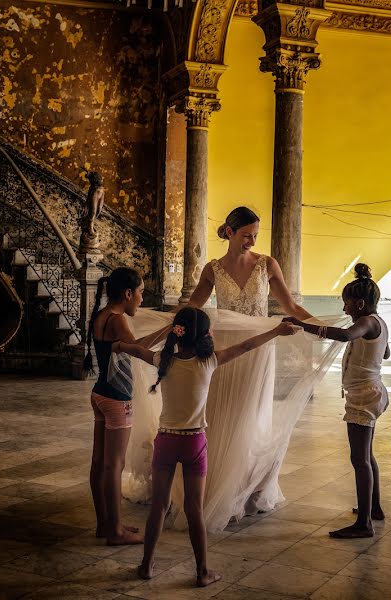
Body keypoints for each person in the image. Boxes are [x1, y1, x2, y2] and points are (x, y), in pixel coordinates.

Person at [115, 307, 299, 586]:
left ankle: (146, 565)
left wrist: (116, 345)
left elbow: (133, 349)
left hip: (166, 440)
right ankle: (202, 572)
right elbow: (247, 345)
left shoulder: (163, 362)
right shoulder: (209, 362)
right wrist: (276, 330)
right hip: (194, 443)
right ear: (205, 335)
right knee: (194, 510)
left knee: (159, 507)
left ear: (177, 332)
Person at [179, 207, 319, 526]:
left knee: (251, 414)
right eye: (246, 235)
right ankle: (217, 485)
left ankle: (246, 489)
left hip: (260, 349)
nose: (251, 241)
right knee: (222, 412)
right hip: (226, 349)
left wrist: (322, 327)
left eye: (255, 235)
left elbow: (291, 307)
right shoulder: (212, 269)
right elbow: (192, 307)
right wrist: (164, 323)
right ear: (229, 232)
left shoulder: (267, 264)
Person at [284, 263, 390, 538]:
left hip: (364, 396)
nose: (344, 311)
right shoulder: (378, 323)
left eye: (347, 304)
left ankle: (364, 524)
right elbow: (387, 352)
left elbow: (344, 335)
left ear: (360, 303)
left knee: (359, 459)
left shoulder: (366, 322)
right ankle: (373, 509)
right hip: (370, 391)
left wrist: (303, 326)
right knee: (367, 455)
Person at [86, 267, 166, 546]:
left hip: (99, 394)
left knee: (99, 463)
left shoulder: (102, 315)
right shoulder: (118, 319)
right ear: (127, 293)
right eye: (141, 293)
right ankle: (117, 531)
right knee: (114, 465)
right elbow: (140, 350)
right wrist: (170, 329)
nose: (142, 300)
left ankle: (104, 525)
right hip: (117, 400)